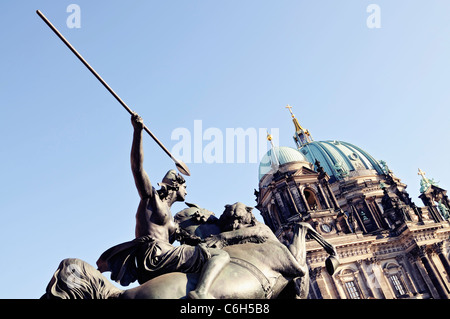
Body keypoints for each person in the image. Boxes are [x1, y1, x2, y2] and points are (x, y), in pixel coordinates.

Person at [97, 113, 229, 299]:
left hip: (159, 256)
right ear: (176, 185)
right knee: (219, 256)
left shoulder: (171, 219)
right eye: (185, 187)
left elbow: (191, 239)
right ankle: (201, 293)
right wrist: (137, 132)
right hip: (157, 256)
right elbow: (137, 168)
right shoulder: (151, 199)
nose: (187, 192)